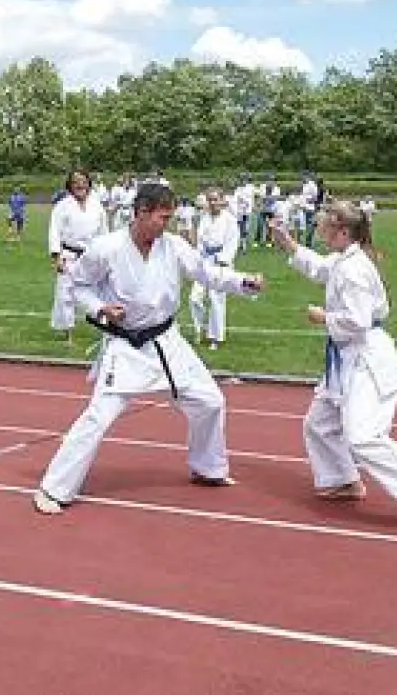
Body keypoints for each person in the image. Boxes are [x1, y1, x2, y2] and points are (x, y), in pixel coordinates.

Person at [32, 183, 267, 516]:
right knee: (98, 417)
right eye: (162, 216)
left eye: (169, 217)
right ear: (141, 212)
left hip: (167, 342)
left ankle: (208, 468)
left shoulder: (173, 246)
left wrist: (243, 281)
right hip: (126, 346)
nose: (166, 224)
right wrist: (100, 308)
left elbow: (207, 273)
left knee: (210, 401)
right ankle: (54, 488)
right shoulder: (106, 248)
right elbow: (78, 284)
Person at [270, 202, 397, 523]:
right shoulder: (345, 259)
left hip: (365, 359)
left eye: (323, 225)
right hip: (346, 358)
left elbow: (358, 320)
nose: (319, 229)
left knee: (361, 436)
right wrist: (290, 245)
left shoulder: (353, 268)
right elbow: (321, 269)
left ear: (341, 230)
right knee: (320, 423)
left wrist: (323, 317)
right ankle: (342, 480)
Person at [48, 170, 108, 339]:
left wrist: (105, 256)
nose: (80, 185)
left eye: (83, 182)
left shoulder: (97, 206)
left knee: (97, 292)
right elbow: (54, 232)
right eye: (76, 182)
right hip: (69, 254)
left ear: (89, 184)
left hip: (91, 255)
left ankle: (103, 329)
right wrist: (56, 257)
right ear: (70, 186)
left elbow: (103, 232)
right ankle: (68, 332)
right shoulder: (62, 206)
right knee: (65, 293)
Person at [189, 187, 243, 350]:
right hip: (204, 260)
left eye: (215, 199)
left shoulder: (229, 220)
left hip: (221, 262)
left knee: (216, 300)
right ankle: (199, 330)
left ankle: (216, 337)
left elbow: (233, 243)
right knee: (194, 297)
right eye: (210, 199)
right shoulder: (204, 218)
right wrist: (197, 256)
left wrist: (223, 260)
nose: (213, 203)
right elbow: (199, 240)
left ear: (222, 201)